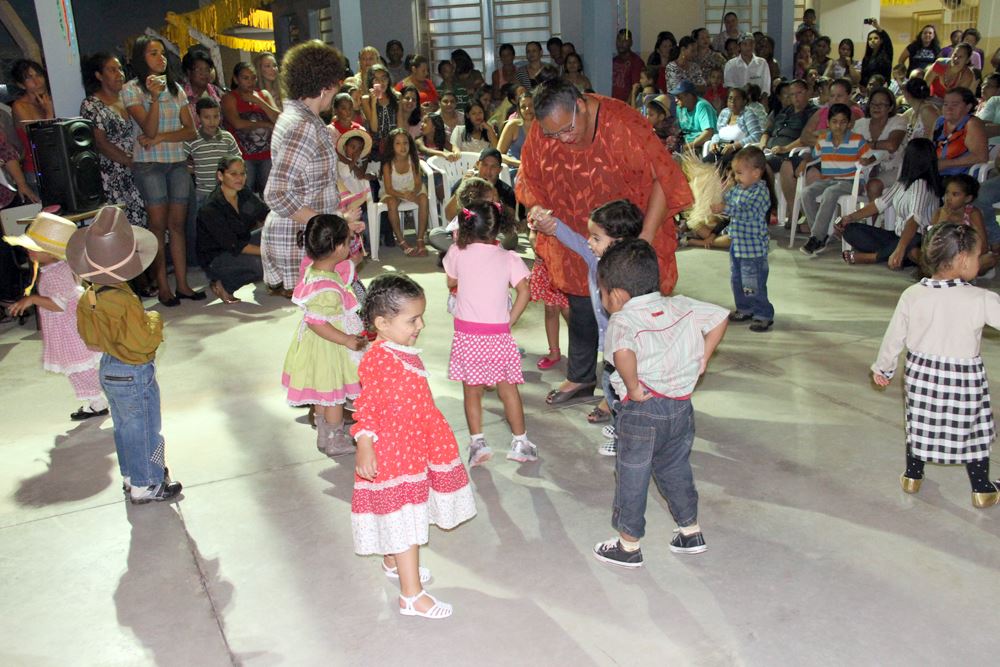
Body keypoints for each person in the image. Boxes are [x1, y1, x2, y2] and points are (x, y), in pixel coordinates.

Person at [518, 76, 693, 406]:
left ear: (581, 105)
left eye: (567, 130)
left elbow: (662, 179)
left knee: (624, 317)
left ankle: (618, 392)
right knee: (582, 303)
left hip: (625, 234)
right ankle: (581, 377)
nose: (563, 140)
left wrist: (641, 243)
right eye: (553, 134)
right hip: (575, 232)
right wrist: (538, 210)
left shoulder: (622, 124)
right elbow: (530, 176)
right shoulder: (546, 131)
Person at [591, 239, 727, 568]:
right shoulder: (680, 305)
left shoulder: (622, 320)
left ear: (618, 295)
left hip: (643, 411)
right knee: (675, 468)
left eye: (603, 292)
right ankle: (690, 531)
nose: (603, 298)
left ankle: (628, 545)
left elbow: (623, 353)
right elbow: (721, 317)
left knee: (632, 475)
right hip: (680, 408)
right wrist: (702, 359)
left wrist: (634, 386)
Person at [352, 273, 477, 619]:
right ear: (382, 323)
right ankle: (411, 596)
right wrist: (365, 443)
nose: (421, 324)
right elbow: (367, 407)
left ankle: (393, 562)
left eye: (420, 316)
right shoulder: (379, 360)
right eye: (412, 320)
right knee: (406, 522)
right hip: (395, 455)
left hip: (414, 445)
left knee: (402, 521)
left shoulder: (400, 349)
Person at [871, 223, 1000, 509]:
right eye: (979, 256)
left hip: (922, 377)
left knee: (918, 424)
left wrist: (884, 368)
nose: (981, 260)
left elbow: (894, 336)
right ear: (964, 259)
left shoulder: (912, 295)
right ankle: (982, 489)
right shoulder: (981, 299)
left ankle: (912, 476)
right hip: (964, 381)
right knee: (974, 430)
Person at [68, 207, 182, 503]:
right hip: (133, 371)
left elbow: (90, 337)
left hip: (108, 368)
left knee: (124, 427)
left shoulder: (89, 295)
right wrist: (153, 319)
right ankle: (149, 483)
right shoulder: (123, 299)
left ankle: (132, 477)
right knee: (146, 428)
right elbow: (143, 341)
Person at [530, 199, 645, 454]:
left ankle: (625, 438)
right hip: (610, 343)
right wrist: (548, 221)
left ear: (619, 241)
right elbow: (570, 237)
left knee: (623, 386)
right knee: (613, 384)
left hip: (627, 345)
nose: (588, 243)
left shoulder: (631, 271)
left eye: (595, 237)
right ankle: (620, 421)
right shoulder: (596, 258)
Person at [443, 201, 533, 466]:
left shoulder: (457, 253)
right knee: (508, 390)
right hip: (498, 335)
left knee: (472, 391)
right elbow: (525, 290)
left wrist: (459, 246)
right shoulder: (509, 257)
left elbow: (451, 281)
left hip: (468, 334)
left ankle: (477, 442)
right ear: (498, 227)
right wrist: (509, 319)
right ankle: (520, 442)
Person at [121, 36, 200, 307]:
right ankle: (163, 287)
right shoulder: (132, 89)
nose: (161, 58)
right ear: (141, 58)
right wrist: (154, 98)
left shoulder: (176, 88)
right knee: (157, 226)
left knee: (177, 225)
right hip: (150, 167)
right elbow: (148, 129)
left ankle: (184, 284)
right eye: (153, 53)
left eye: (163, 53)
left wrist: (159, 139)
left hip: (177, 162)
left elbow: (191, 131)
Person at [4, 213, 107, 420]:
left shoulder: (56, 273)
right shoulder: (55, 267)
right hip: (65, 326)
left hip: (68, 329)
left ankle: (99, 401)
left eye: (33, 246)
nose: (27, 250)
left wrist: (32, 300)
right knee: (77, 366)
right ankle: (97, 400)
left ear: (49, 252)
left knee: (78, 366)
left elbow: (59, 305)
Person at [262, 40, 346, 297]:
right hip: (303, 239)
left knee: (325, 321)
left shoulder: (298, 117)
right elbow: (276, 193)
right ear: (324, 87)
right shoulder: (303, 125)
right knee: (326, 319)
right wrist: (328, 226)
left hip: (308, 236)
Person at [282, 214, 366, 456]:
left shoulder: (315, 270)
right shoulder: (326, 287)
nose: (349, 246)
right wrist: (347, 339)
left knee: (323, 393)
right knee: (335, 396)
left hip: (318, 346)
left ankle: (323, 435)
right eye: (347, 241)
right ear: (338, 248)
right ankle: (334, 439)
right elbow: (317, 322)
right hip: (330, 346)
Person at [838, 138, 942, 268]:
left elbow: (914, 221)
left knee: (912, 243)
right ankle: (896, 255)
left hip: (917, 239)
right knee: (850, 230)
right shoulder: (902, 182)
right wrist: (850, 217)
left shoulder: (921, 184)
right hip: (897, 236)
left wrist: (900, 248)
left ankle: (873, 257)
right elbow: (879, 204)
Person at [710, 146, 774, 331]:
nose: (736, 177)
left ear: (755, 173)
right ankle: (745, 308)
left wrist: (724, 208)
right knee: (737, 280)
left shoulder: (760, 193)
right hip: (738, 246)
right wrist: (720, 193)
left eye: (739, 173)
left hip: (753, 250)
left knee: (753, 283)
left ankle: (763, 313)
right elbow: (726, 198)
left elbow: (746, 211)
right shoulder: (738, 189)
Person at [79, 53, 146, 230]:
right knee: (126, 228)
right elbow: (100, 143)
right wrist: (129, 161)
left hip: (139, 167)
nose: (119, 74)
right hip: (114, 174)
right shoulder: (91, 104)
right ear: (99, 75)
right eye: (112, 70)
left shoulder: (129, 99)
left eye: (120, 69)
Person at [798, 103, 871, 255]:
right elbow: (813, 156)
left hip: (851, 181)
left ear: (849, 123)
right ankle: (819, 235)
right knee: (806, 193)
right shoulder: (823, 139)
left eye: (843, 122)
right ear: (828, 123)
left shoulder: (857, 140)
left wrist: (866, 161)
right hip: (829, 179)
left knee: (830, 193)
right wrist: (805, 160)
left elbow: (871, 157)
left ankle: (816, 238)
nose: (838, 126)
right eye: (835, 122)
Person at [196, 156, 267, 303]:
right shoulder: (211, 207)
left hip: (241, 243)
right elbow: (235, 245)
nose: (239, 178)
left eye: (242, 173)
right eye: (233, 174)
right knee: (260, 262)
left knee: (278, 236)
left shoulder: (243, 193)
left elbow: (265, 215)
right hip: (218, 257)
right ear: (220, 176)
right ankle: (223, 284)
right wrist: (270, 251)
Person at [222, 62, 279, 195]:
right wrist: (266, 125)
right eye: (245, 78)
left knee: (270, 194)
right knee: (245, 195)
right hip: (244, 156)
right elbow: (237, 123)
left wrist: (259, 101)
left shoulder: (263, 95)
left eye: (253, 78)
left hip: (267, 155)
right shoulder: (229, 98)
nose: (250, 82)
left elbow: (279, 119)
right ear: (236, 79)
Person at [928, 174, 994, 275]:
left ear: (967, 199)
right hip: (943, 257)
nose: (948, 198)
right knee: (916, 252)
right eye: (947, 193)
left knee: (990, 259)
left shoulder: (973, 213)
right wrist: (944, 219)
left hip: (965, 256)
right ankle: (957, 275)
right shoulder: (939, 212)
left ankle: (954, 275)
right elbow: (930, 242)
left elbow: (983, 245)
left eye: (955, 194)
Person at [381, 128, 430, 255]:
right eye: (397, 143)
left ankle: (420, 238)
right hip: (393, 191)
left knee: (424, 198)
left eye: (405, 143)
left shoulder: (413, 159)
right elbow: (388, 189)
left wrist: (413, 193)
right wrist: (403, 195)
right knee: (391, 203)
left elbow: (418, 183)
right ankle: (401, 241)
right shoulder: (387, 164)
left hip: (412, 188)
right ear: (391, 146)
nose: (402, 147)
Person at [853, 86, 907, 200]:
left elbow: (892, 145)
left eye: (882, 104)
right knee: (838, 185)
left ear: (890, 107)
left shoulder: (898, 121)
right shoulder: (859, 124)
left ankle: (874, 218)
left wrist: (867, 144)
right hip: (864, 169)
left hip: (893, 169)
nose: (876, 107)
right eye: (873, 104)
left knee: (873, 185)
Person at [9, 59, 54, 189]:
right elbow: (39, 138)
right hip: (36, 169)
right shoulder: (20, 106)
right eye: (29, 78)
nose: (37, 81)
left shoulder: (52, 99)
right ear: (22, 85)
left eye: (39, 75)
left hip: (58, 164)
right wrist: (49, 113)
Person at [185, 98, 239, 205]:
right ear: (198, 117)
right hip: (204, 193)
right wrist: (193, 169)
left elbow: (238, 162)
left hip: (226, 192)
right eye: (206, 117)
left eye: (216, 116)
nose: (212, 121)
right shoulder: (192, 138)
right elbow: (180, 161)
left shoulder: (227, 137)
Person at [934, 87, 988, 176]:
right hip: (936, 175)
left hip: (961, 178)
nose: (949, 108)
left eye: (954, 105)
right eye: (945, 104)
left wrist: (946, 163)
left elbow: (981, 157)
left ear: (968, 107)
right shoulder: (940, 121)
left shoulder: (972, 124)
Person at [361, 64, 399, 164]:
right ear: (371, 82)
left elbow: (400, 124)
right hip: (376, 148)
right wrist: (373, 104)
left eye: (384, 78)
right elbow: (374, 128)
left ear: (388, 80)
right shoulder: (366, 100)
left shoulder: (396, 97)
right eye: (376, 79)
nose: (381, 82)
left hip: (395, 144)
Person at [182, 50, 224, 128]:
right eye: (199, 70)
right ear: (188, 72)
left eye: (207, 69)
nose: (204, 73)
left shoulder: (217, 92)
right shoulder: (180, 95)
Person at [672, 81, 717, 152]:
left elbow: (708, 133)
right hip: (685, 143)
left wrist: (687, 147)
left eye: (679, 97)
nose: (676, 100)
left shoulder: (702, 106)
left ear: (689, 96)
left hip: (700, 145)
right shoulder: (680, 107)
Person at [497, 93, 534, 177]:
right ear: (519, 110)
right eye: (523, 107)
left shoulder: (543, 126)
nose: (528, 109)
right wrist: (520, 164)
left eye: (531, 105)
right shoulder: (513, 126)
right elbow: (498, 155)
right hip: (516, 171)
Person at [901, 77, 939, 141]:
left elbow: (930, 139)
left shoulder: (928, 111)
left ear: (907, 94)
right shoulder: (912, 111)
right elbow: (898, 120)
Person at [612, 29, 645, 102]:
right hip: (612, 105)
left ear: (631, 43)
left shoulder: (636, 62)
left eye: (625, 41)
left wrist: (626, 106)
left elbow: (636, 88)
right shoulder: (613, 61)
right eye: (619, 40)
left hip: (626, 106)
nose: (621, 43)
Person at [861, 19, 893, 87]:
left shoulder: (886, 54)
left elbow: (888, 41)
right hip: (869, 88)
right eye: (870, 39)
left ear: (881, 41)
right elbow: (864, 75)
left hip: (883, 87)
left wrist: (877, 26)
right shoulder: (866, 58)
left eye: (876, 38)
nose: (872, 40)